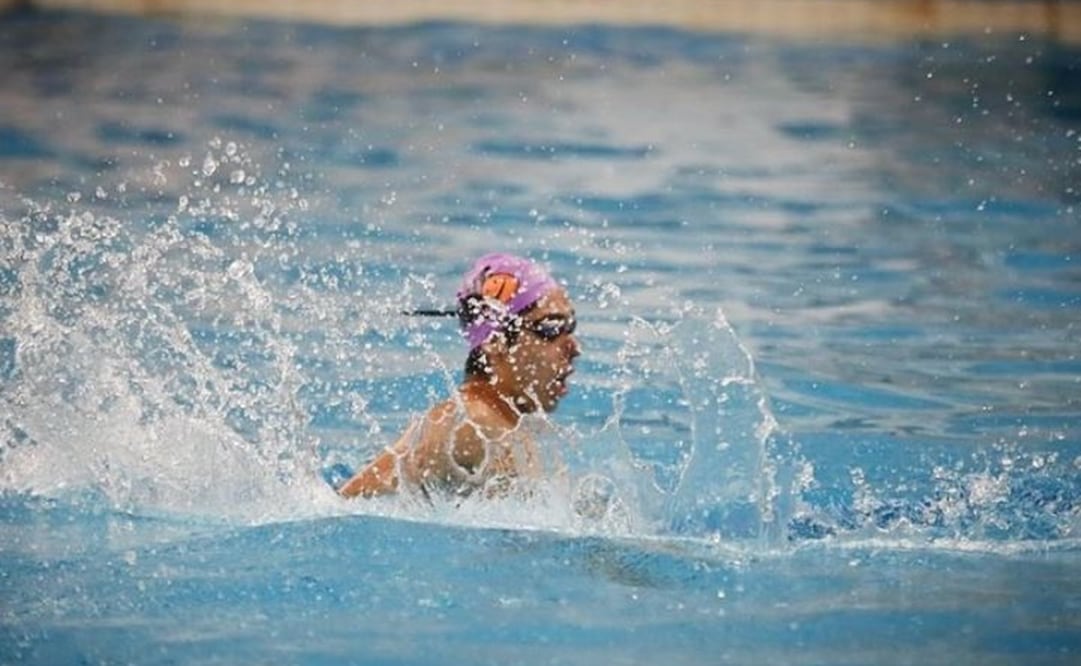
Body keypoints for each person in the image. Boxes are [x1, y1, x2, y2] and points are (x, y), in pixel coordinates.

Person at [337, 252, 580, 500]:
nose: (573, 347)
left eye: (570, 327)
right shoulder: (473, 423)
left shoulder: (500, 423)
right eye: (552, 328)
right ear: (495, 342)